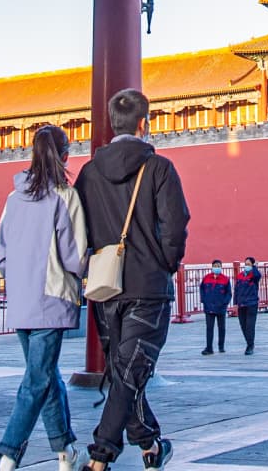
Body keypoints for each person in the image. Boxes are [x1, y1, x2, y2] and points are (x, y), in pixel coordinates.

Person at [76, 89, 190, 471]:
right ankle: (100, 456)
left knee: (125, 371)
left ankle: (150, 444)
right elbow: (175, 224)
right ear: (144, 123)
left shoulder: (89, 173)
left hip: (105, 286)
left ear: (113, 123)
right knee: (129, 373)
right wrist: (165, 263)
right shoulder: (159, 168)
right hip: (147, 286)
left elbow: (80, 228)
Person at [0, 124, 90, 471]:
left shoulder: (12, 199)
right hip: (51, 298)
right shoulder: (65, 196)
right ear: (65, 156)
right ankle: (8, 454)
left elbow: (1, 255)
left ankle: (66, 452)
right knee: (37, 379)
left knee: (46, 375)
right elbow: (75, 257)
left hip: (21, 300)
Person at [199, 259, 231, 354]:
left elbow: (228, 293)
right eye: (215, 266)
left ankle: (221, 346)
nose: (217, 268)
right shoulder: (206, 278)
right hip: (209, 307)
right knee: (209, 328)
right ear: (212, 267)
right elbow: (202, 289)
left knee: (221, 328)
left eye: (218, 266)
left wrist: (224, 303)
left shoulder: (225, 279)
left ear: (221, 267)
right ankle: (209, 348)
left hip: (221, 307)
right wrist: (204, 300)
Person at [232, 256, 262, 354]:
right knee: (243, 326)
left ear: (252, 265)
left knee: (250, 326)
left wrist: (255, 267)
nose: (247, 266)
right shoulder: (240, 276)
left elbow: (258, 275)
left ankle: (250, 346)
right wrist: (235, 303)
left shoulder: (254, 276)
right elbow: (236, 290)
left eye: (249, 264)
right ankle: (249, 343)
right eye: (246, 264)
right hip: (241, 304)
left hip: (252, 304)